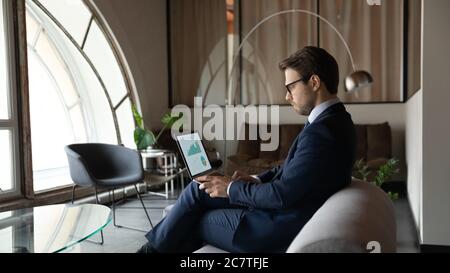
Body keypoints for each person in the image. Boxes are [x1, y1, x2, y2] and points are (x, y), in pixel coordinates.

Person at [137, 46, 356, 253]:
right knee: (199, 189)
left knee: (194, 217)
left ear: (315, 82)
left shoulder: (323, 132)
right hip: (281, 214)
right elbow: (294, 172)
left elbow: (282, 195)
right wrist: (256, 180)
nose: (287, 96)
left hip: (273, 228)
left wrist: (231, 188)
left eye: (290, 87)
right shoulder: (334, 121)